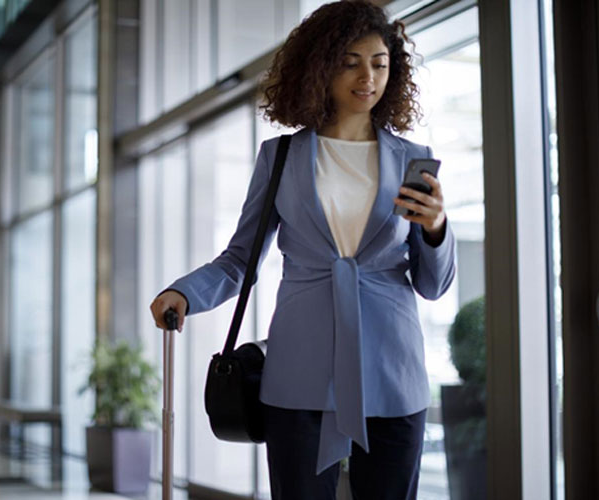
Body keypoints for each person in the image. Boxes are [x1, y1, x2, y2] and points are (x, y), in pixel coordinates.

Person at [150, 1, 456, 498]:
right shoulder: (283, 157)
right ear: (320, 66)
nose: (367, 77)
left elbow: (433, 284)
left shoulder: (413, 160)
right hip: (300, 372)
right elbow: (239, 260)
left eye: (380, 63)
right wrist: (184, 294)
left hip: (392, 374)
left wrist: (437, 227)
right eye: (351, 61)